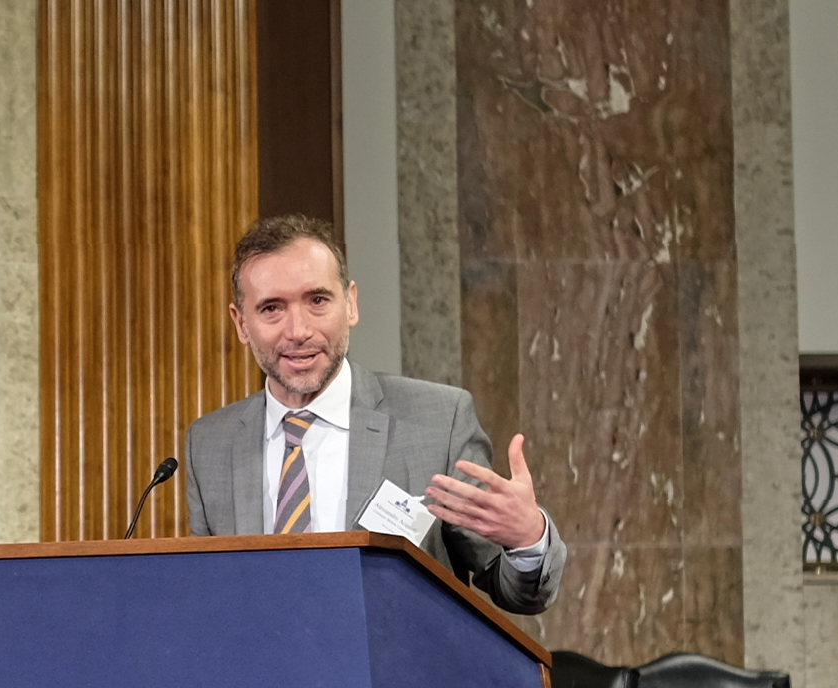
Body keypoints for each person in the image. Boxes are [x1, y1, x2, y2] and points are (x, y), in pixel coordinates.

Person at [183, 214, 565, 615]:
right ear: (241, 323)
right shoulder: (209, 444)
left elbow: (517, 592)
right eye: (272, 308)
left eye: (317, 301)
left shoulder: (439, 422)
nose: (297, 330)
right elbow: (212, 598)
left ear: (350, 304)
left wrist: (528, 540)